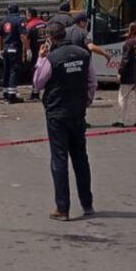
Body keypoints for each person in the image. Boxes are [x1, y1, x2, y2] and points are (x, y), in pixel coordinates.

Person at [32, 21, 97, 221]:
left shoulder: (51, 58)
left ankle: (63, 208)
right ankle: (87, 204)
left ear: (50, 39)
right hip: (77, 112)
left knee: (59, 160)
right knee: (80, 158)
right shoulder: (83, 54)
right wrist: (86, 100)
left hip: (57, 114)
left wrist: (40, 59)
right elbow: (92, 81)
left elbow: (38, 82)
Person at [0, 3, 27, 104]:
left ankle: (5, 94)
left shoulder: (3, 20)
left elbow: (0, 37)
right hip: (15, 49)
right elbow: (23, 36)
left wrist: (0, 49)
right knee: (13, 71)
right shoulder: (19, 21)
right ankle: (12, 96)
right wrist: (26, 50)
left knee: (6, 71)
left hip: (6, 49)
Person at [25, 8, 48, 101]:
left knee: (35, 71)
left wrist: (27, 50)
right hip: (46, 50)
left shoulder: (29, 25)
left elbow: (26, 39)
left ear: (30, 15)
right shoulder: (45, 24)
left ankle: (35, 93)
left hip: (35, 52)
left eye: (26, 15)